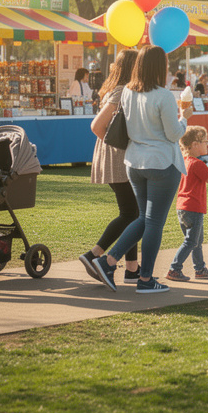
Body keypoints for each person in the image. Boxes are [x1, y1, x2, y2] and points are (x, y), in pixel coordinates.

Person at [88, 46, 191, 293]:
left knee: (143, 219)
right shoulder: (163, 96)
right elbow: (174, 133)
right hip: (161, 163)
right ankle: (143, 278)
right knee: (153, 222)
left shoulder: (127, 93)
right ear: (160, 68)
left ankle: (109, 261)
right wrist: (185, 116)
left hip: (135, 162)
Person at [81, 49, 141, 285]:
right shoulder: (120, 91)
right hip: (117, 158)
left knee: (132, 213)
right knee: (131, 214)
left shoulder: (119, 89)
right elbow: (96, 126)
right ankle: (94, 254)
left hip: (116, 157)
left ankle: (132, 269)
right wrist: (116, 144)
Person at [168, 126, 208, 281]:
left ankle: (200, 269)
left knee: (196, 241)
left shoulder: (185, 162)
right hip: (194, 207)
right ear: (194, 144)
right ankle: (174, 269)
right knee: (192, 241)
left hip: (182, 207)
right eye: (205, 142)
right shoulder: (197, 163)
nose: (207, 144)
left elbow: (205, 175)